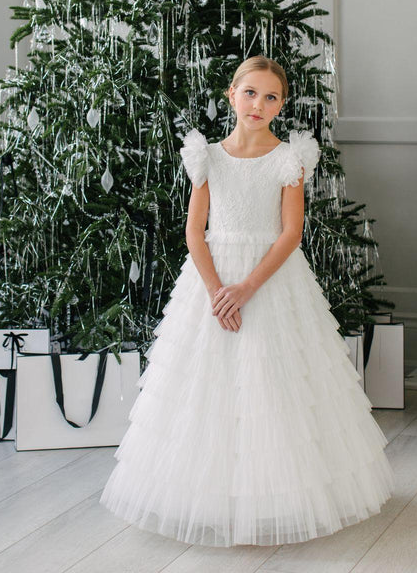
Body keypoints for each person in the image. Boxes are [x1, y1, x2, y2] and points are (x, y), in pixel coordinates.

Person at [100, 55, 394, 547]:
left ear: (282, 105)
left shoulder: (289, 158)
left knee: (274, 385)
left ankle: (279, 498)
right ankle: (211, 497)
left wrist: (246, 288)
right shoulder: (207, 156)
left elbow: (290, 234)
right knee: (205, 388)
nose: (258, 104)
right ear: (231, 95)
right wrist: (218, 291)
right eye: (250, 92)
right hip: (211, 280)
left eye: (271, 96)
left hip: (270, 280)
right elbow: (195, 231)